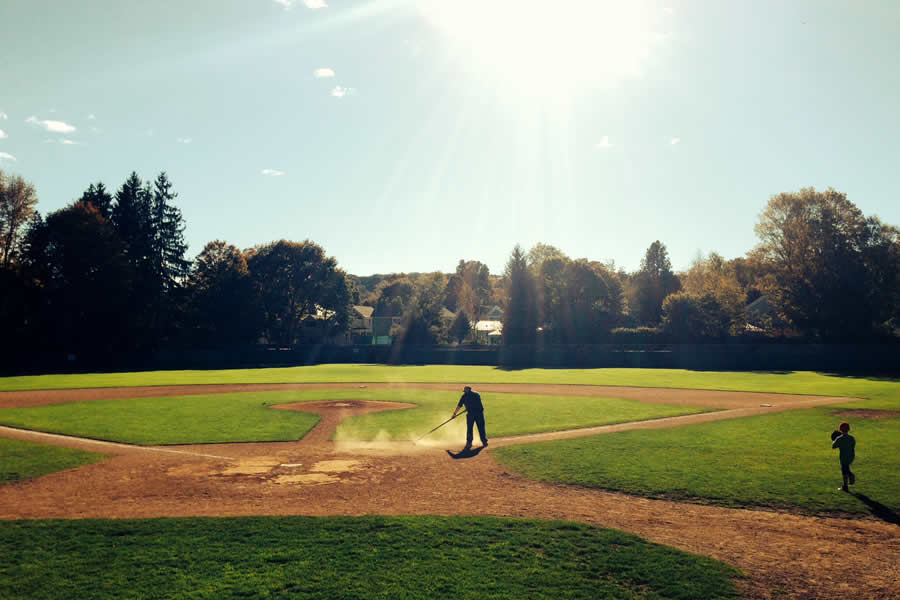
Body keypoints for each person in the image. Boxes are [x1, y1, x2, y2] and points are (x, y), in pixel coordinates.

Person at [452, 385, 487, 450]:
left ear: (466, 391)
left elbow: (459, 405)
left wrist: (454, 414)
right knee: (481, 427)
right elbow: (477, 402)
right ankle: (484, 441)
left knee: (470, 428)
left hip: (471, 414)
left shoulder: (464, 396)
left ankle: (469, 442)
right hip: (479, 413)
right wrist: (468, 407)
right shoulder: (477, 394)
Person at [831, 421, 856, 492]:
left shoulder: (839, 439)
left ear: (840, 429)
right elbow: (853, 445)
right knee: (846, 468)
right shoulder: (852, 438)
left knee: (844, 471)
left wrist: (835, 439)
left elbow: (833, 446)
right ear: (848, 429)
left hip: (843, 457)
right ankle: (846, 485)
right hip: (851, 456)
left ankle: (847, 483)